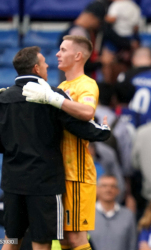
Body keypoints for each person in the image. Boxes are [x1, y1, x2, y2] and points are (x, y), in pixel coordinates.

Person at [0, 46, 110, 250]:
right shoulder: (52, 96)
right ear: (36, 68)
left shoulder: (3, 99)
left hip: (12, 181)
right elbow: (82, 127)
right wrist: (104, 130)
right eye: (43, 62)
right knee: (42, 242)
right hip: (45, 183)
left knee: (11, 239)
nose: (48, 65)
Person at [22, 35, 101, 250]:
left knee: (76, 238)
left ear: (78, 55)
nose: (57, 54)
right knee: (64, 238)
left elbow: (87, 112)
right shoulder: (63, 85)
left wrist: (54, 99)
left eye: (63, 50)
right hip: (59, 173)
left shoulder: (87, 84)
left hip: (77, 172)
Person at [89, 175, 136, 250]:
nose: (108, 189)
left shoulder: (128, 215)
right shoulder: (87, 214)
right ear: (97, 189)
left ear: (118, 190)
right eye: (104, 186)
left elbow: (132, 244)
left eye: (112, 186)